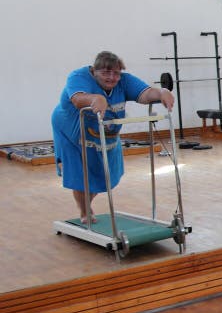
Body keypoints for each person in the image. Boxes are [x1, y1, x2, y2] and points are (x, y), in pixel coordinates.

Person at [51, 51, 175, 223]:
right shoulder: (78, 76)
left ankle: (86, 203)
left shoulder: (124, 81)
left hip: (104, 130)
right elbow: (78, 99)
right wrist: (95, 98)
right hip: (71, 132)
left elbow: (145, 94)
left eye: (116, 73)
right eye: (105, 73)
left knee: (103, 173)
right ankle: (85, 211)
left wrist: (162, 92)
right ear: (94, 71)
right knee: (81, 174)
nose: (112, 77)